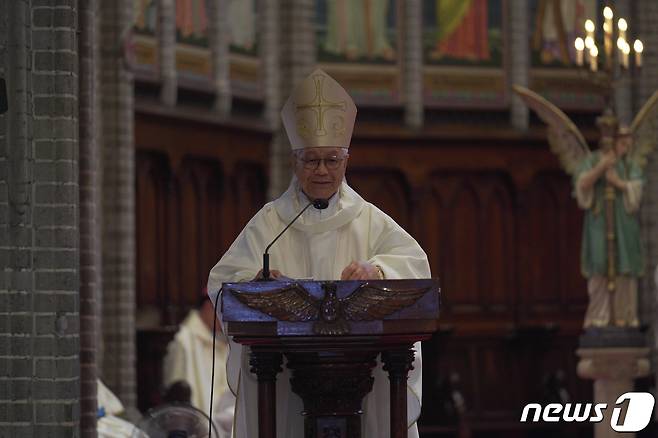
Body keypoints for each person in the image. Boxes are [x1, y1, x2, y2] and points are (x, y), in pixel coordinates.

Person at [207, 68, 430, 437]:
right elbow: (221, 283)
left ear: (346, 160)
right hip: (278, 373)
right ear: (295, 162)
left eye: (332, 160)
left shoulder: (370, 220)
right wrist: (258, 284)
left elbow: (417, 268)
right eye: (311, 160)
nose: (322, 171)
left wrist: (377, 271)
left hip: (364, 374)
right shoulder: (269, 222)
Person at [575, 125, 644, 328]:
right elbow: (581, 186)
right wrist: (601, 167)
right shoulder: (593, 160)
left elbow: (637, 189)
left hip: (623, 223)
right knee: (599, 267)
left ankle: (625, 315)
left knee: (625, 267)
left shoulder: (630, 165)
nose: (627, 146)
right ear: (612, 141)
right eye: (623, 142)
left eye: (629, 142)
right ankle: (599, 316)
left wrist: (618, 183)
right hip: (599, 223)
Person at [162, 291, 232, 435]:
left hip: (221, 421)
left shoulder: (221, 342)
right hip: (196, 426)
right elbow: (177, 392)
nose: (225, 319)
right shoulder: (184, 342)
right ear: (208, 307)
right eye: (222, 312)